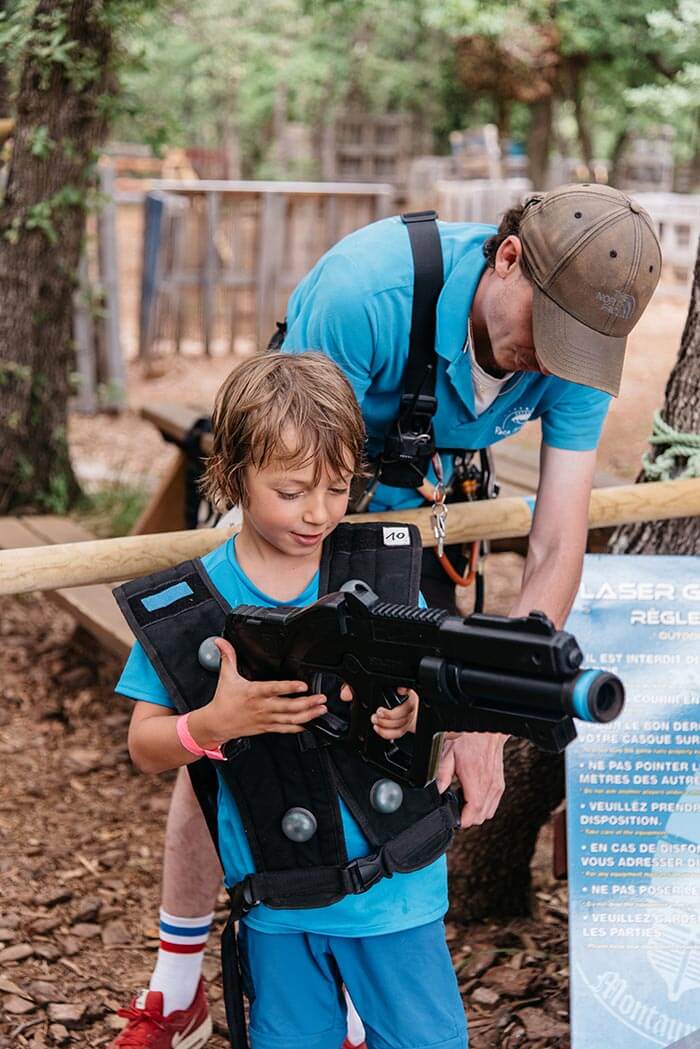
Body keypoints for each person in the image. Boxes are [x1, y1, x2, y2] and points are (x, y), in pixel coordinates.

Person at [109, 183, 662, 1046]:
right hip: (304, 495)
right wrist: (300, 535)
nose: (551, 365)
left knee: (391, 725)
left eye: (576, 353)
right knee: (235, 739)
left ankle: (365, 992)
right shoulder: (367, 294)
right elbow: (292, 448)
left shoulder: (577, 351)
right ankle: (177, 981)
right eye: (542, 337)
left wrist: (483, 712)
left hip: (416, 523)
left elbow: (557, 544)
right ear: (507, 259)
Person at [113, 352, 467, 1049]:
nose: (319, 512)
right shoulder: (193, 605)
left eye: (337, 488)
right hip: (278, 900)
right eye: (294, 489)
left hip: (394, 901)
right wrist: (211, 724)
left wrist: (419, 715)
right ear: (235, 473)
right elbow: (142, 743)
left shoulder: (383, 573)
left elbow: (437, 680)